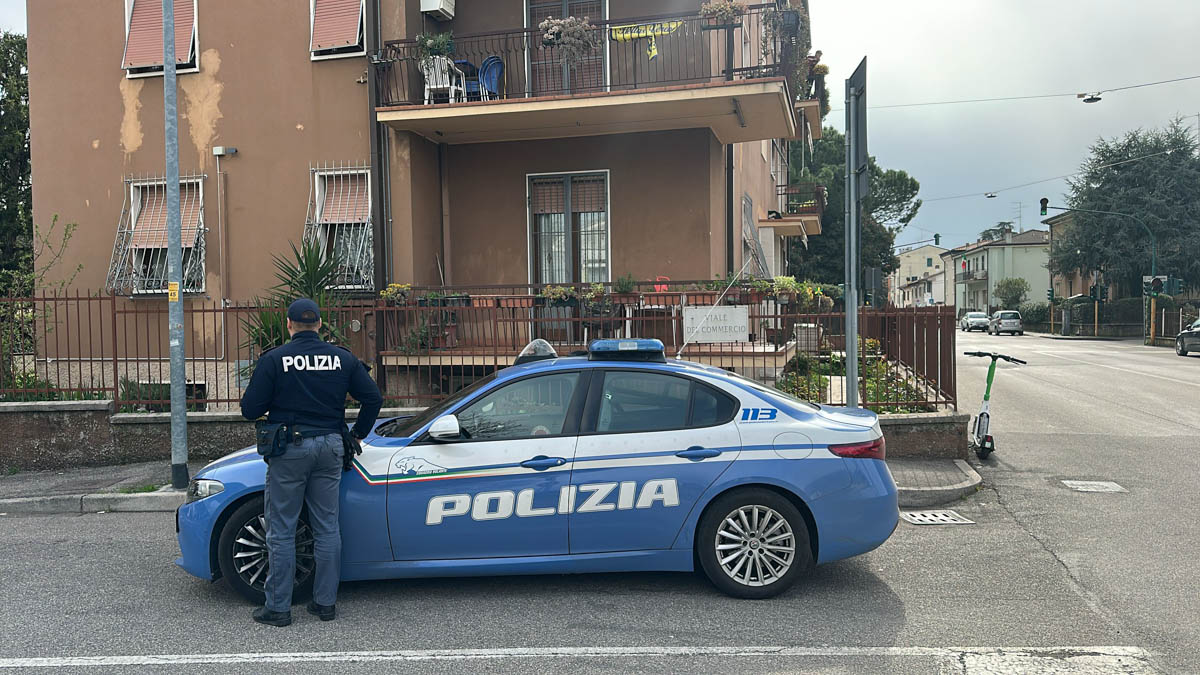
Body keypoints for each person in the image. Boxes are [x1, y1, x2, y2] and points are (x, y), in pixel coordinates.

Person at [239, 298, 383, 627]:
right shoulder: (342, 358)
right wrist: (357, 435)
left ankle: (278, 607)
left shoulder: (275, 359)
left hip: (289, 448)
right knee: (327, 527)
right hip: (331, 445)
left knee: (281, 529)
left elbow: (250, 409)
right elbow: (373, 398)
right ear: (319, 325)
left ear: (288, 325)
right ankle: (325, 604)